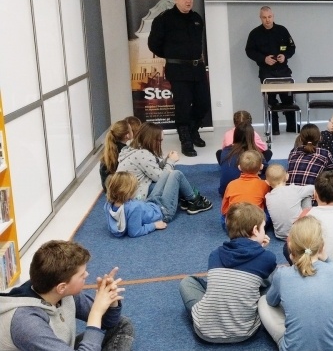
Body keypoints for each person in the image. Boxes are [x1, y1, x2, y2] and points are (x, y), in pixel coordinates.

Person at [0, 240, 134, 351]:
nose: (87, 275)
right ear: (62, 287)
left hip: (58, 345)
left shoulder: (60, 292)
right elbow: (96, 318)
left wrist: (111, 301)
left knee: (122, 324)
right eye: (82, 275)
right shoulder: (26, 323)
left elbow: (109, 322)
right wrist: (96, 312)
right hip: (46, 341)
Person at [257, 216, 333, 350]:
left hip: (292, 348)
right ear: (321, 246)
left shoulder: (282, 274)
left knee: (263, 301)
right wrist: (327, 261)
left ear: (290, 248)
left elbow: (271, 302)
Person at [178, 203, 277, 343]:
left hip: (205, 332)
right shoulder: (267, 258)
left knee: (187, 282)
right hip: (246, 332)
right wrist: (261, 250)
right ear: (255, 230)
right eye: (263, 228)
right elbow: (264, 281)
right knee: (276, 277)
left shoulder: (215, 254)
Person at [147, 0, 210, 157]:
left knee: (203, 102)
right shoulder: (164, 19)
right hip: (178, 69)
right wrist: (171, 55)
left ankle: (193, 129)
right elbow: (153, 44)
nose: (189, 0)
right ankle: (186, 139)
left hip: (197, 68)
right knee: (182, 105)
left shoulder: (197, 18)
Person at [116, 122, 212, 219]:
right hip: (138, 198)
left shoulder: (133, 149)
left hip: (135, 193)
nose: (160, 144)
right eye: (160, 141)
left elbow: (153, 167)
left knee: (173, 177)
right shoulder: (142, 154)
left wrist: (166, 160)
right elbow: (161, 177)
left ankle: (189, 198)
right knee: (176, 174)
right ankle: (194, 200)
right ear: (151, 140)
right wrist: (171, 161)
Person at [245, 6, 297, 135]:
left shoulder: (282, 30)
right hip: (266, 72)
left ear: (273, 16)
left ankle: (292, 126)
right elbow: (249, 51)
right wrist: (263, 58)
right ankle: (274, 128)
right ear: (260, 18)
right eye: (264, 17)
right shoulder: (255, 33)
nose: (267, 20)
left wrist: (285, 56)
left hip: (283, 70)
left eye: (269, 17)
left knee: (288, 100)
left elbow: (292, 47)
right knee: (271, 101)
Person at [104, 172, 167, 238]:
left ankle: (167, 174)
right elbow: (135, 232)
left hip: (148, 205)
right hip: (161, 210)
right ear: (128, 191)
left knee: (164, 178)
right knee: (174, 176)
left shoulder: (108, 205)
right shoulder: (134, 207)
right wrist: (154, 225)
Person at [221, 150, 270, 228]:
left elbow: (224, 209)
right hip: (255, 225)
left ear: (239, 167)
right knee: (269, 211)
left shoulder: (231, 184)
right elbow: (267, 203)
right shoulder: (264, 184)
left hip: (234, 225)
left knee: (224, 218)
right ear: (261, 166)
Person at [265, 164, 315, 240]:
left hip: (280, 235)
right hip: (299, 234)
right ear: (287, 176)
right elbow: (312, 188)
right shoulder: (294, 189)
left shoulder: (267, 197)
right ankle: (308, 224)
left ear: (267, 182)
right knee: (306, 195)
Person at [219, 123, 266, 196]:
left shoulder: (226, 150)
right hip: (248, 190)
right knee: (272, 175)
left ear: (235, 135)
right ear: (252, 137)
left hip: (225, 191)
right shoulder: (255, 153)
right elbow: (267, 169)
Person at [99, 120, 133, 192]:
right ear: (127, 135)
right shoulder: (125, 151)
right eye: (131, 130)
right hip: (121, 189)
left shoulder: (108, 149)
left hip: (108, 188)